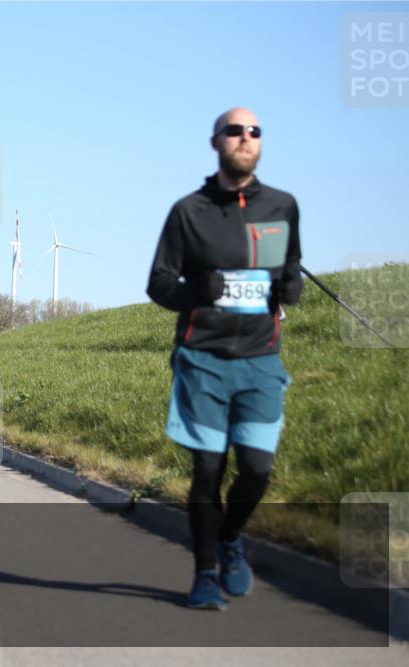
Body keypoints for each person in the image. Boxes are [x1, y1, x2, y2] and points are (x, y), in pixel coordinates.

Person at [147, 108, 302, 610]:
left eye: (253, 131)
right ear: (216, 141)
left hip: (260, 360)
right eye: (235, 130)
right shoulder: (188, 211)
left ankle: (231, 536)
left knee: (256, 469)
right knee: (208, 471)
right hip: (203, 360)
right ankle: (205, 573)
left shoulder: (282, 206)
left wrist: (291, 285)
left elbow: (292, 267)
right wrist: (197, 291)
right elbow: (160, 284)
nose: (245, 137)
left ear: (260, 143)